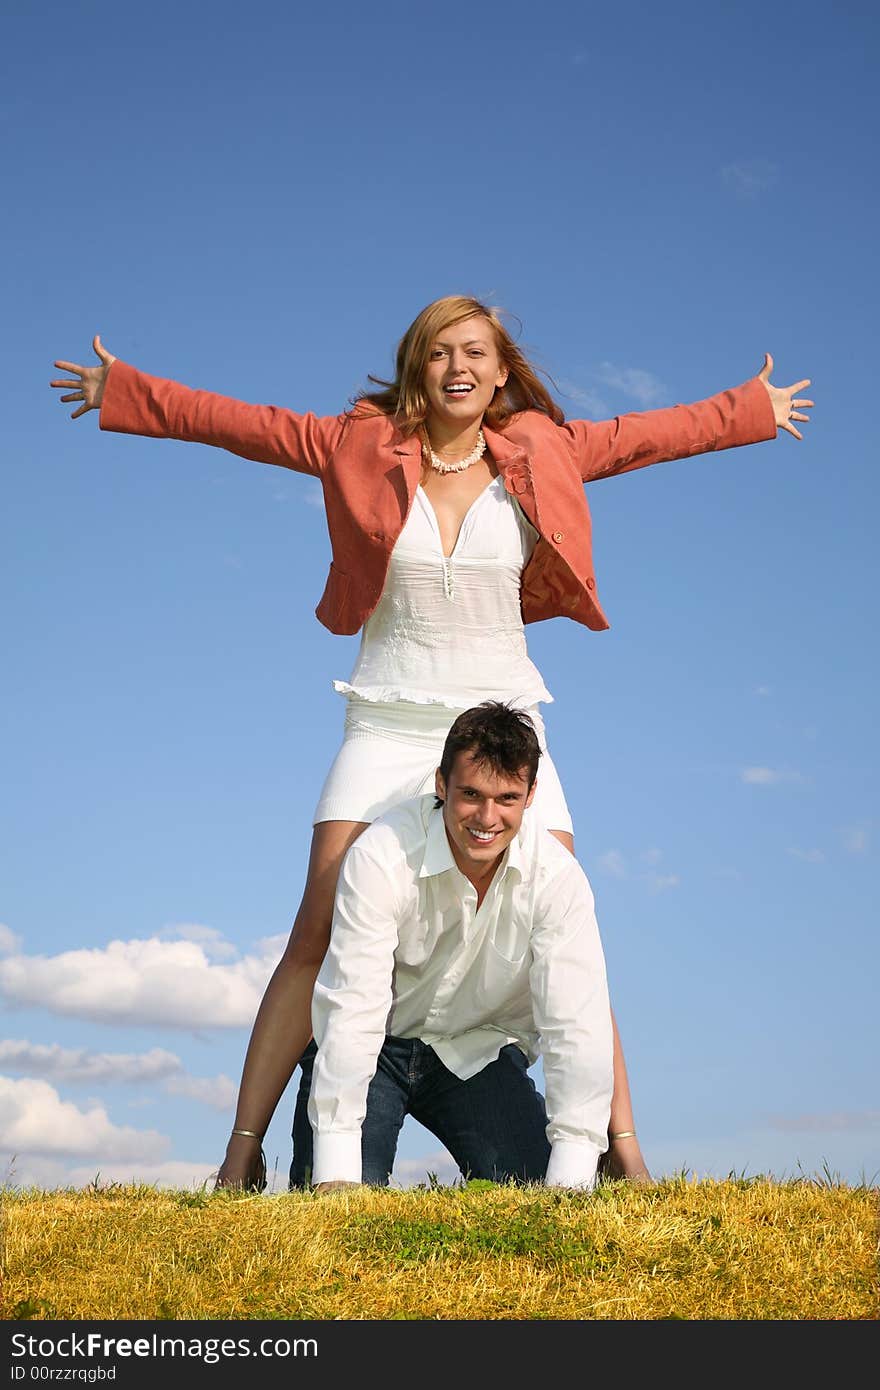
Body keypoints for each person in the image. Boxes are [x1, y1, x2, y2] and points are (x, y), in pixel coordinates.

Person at [50, 295, 813, 1189]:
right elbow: (246, 426)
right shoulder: (360, 445)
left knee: (563, 923)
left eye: (476, 352)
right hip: (390, 712)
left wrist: (751, 410)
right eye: (441, 350)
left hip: (501, 719)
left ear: (499, 369)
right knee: (319, 925)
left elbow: (648, 436)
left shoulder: (541, 449)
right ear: (419, 365)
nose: (459, 365)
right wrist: (127, 392)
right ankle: (241, 1152)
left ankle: (622, 1152)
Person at [294, 701, 614, 1194]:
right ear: (441, 785)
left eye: (507, 797)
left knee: (536, 1192)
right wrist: (336, 1170)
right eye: (470, 795)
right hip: (376, 1048)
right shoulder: (381, 855)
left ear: (531, 796)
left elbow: (576, 1024)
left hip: (477, 1050)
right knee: (338, 1212)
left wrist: (571, 1178)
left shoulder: (558, 880)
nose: (487, 817)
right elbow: (353, 1003)